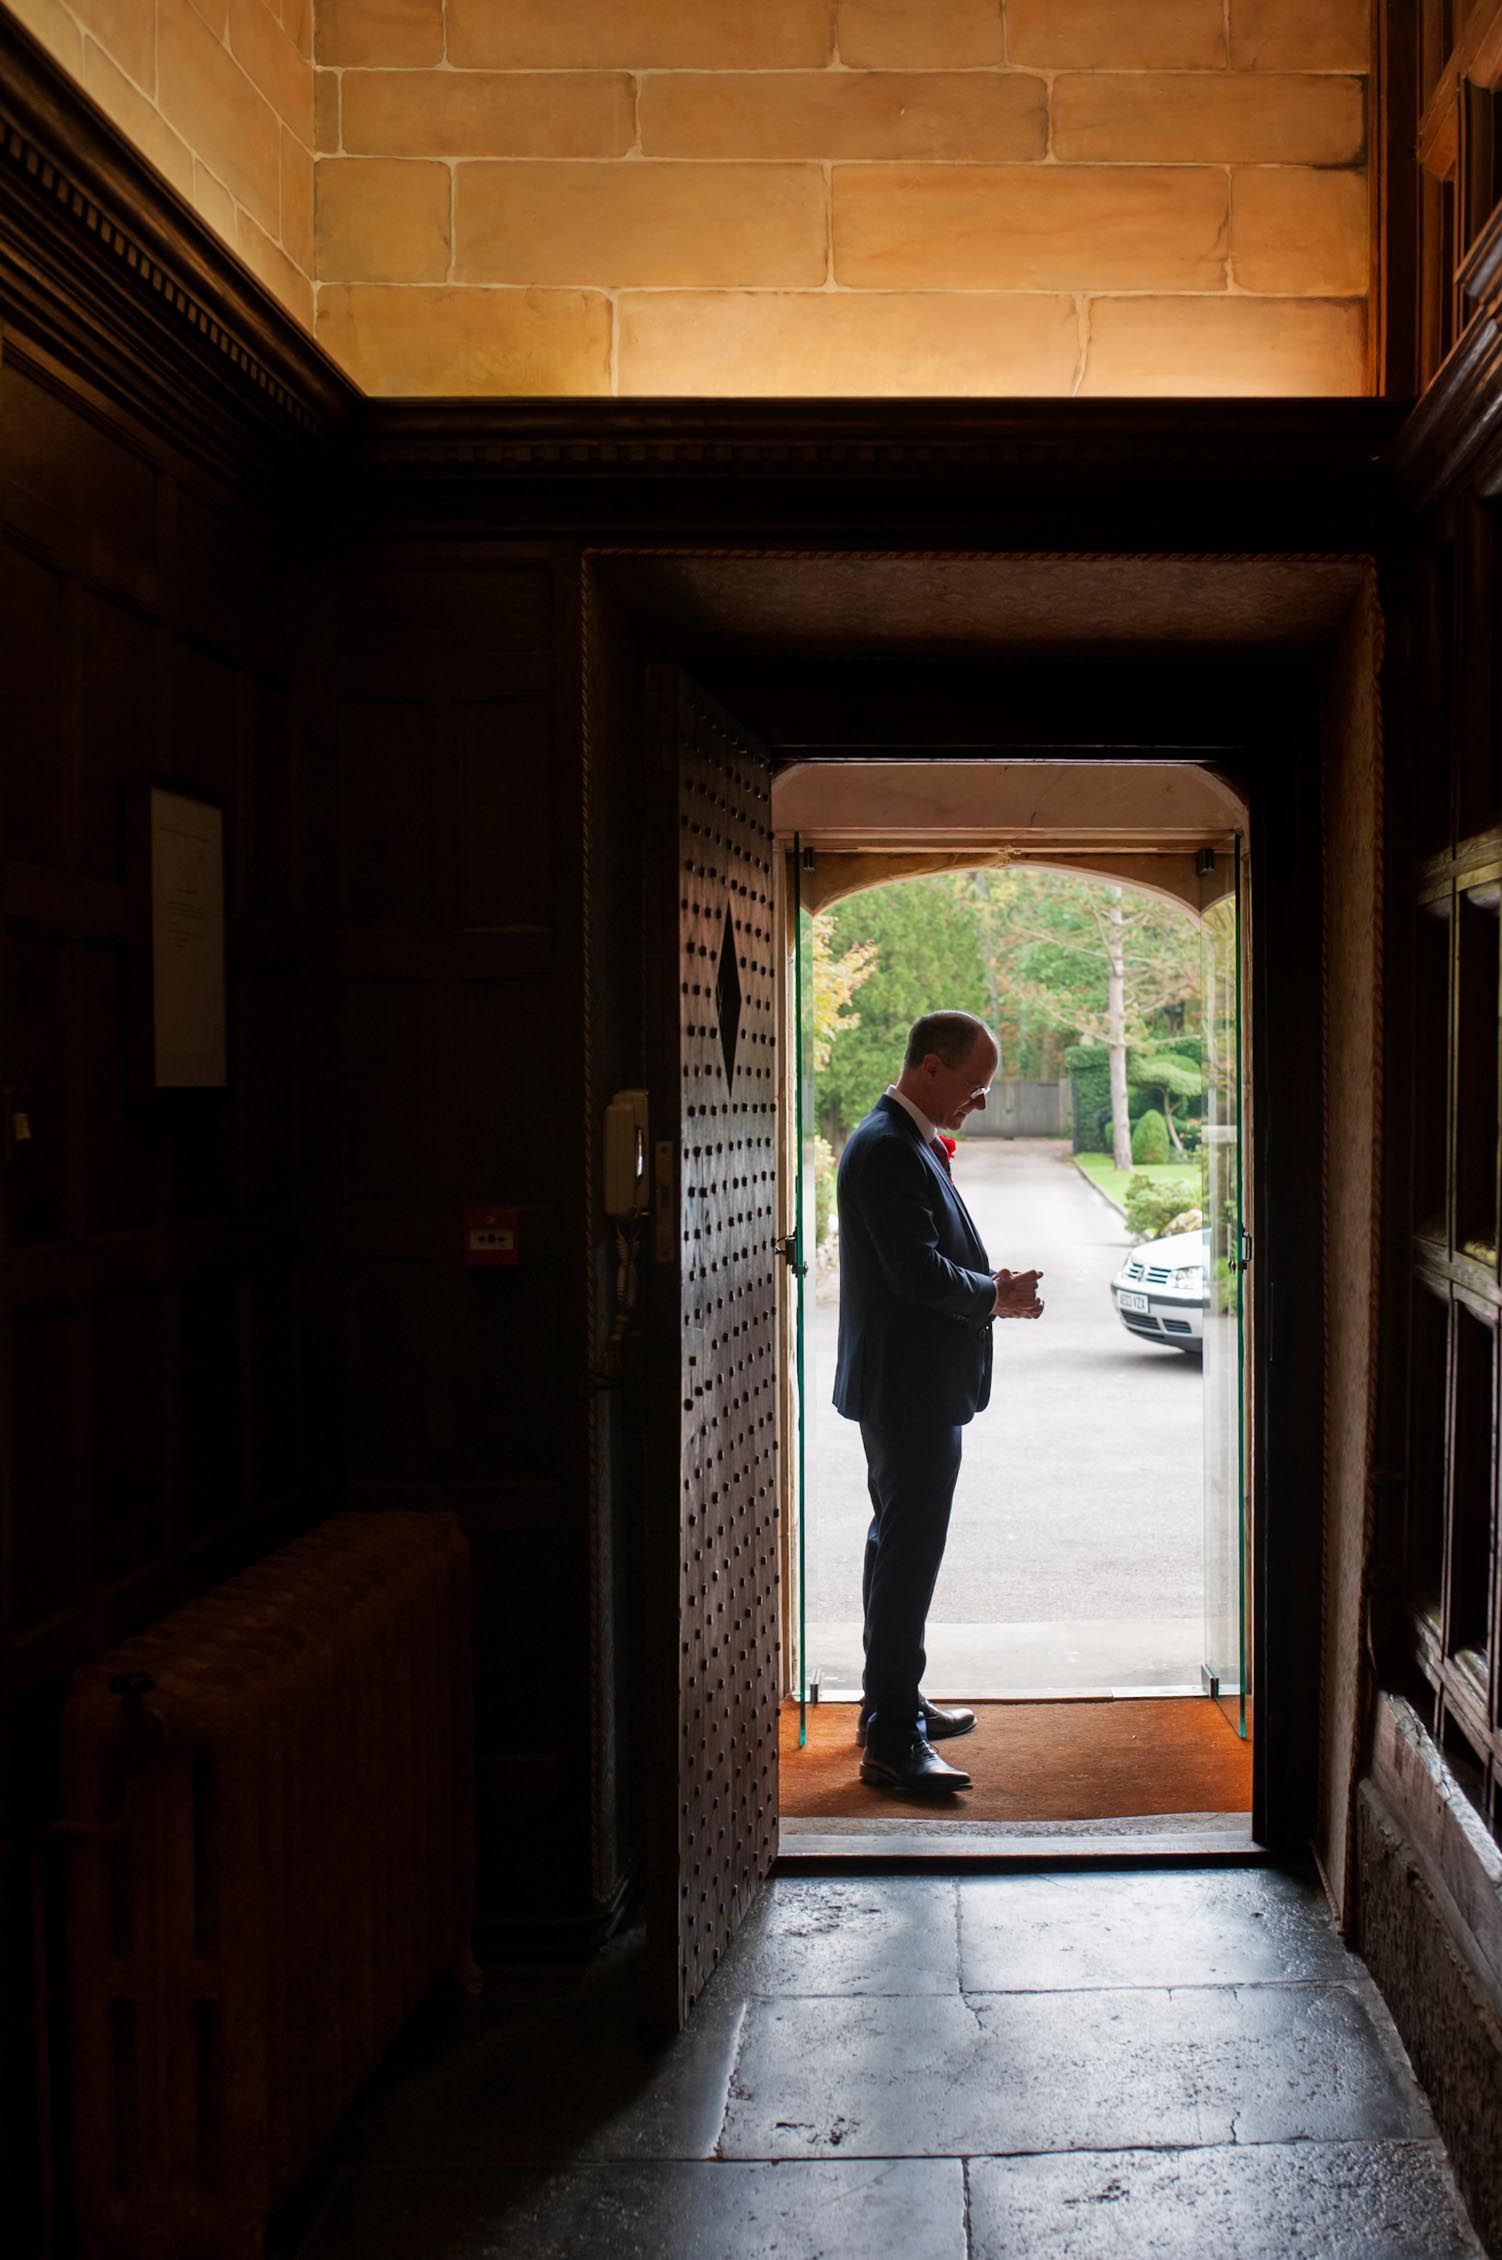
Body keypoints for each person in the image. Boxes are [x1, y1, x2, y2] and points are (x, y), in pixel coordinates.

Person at [832, 1010, 1044, 1792]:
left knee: (895, 1544)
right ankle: (892, 1738)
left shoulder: (901, 1138)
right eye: (974, 1085)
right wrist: (999, 1297)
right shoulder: (888, 1146)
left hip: (908, 1386)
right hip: (909, 1390)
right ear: (928, 1067)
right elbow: (915, 1274)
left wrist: (991, 1292)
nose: (980, 1102)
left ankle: (891, 1702)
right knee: (909, 1554)